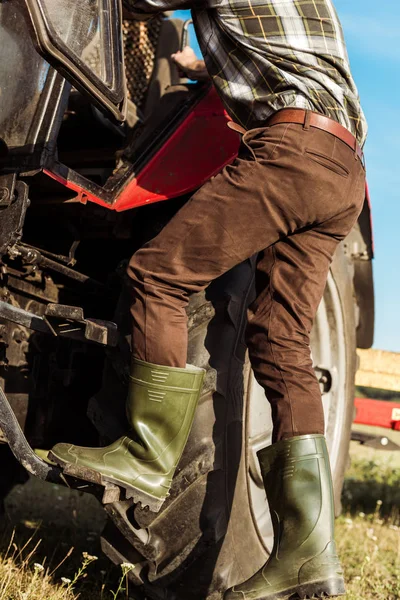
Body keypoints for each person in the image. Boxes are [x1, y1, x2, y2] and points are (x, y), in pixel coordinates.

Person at [49, 1, 367, 598]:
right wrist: (196, 60)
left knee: (158, 275)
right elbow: (263, 49)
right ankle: (309, 555)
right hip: (343, 163)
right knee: (281, 341)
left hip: (291, 147)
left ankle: (147, 456)